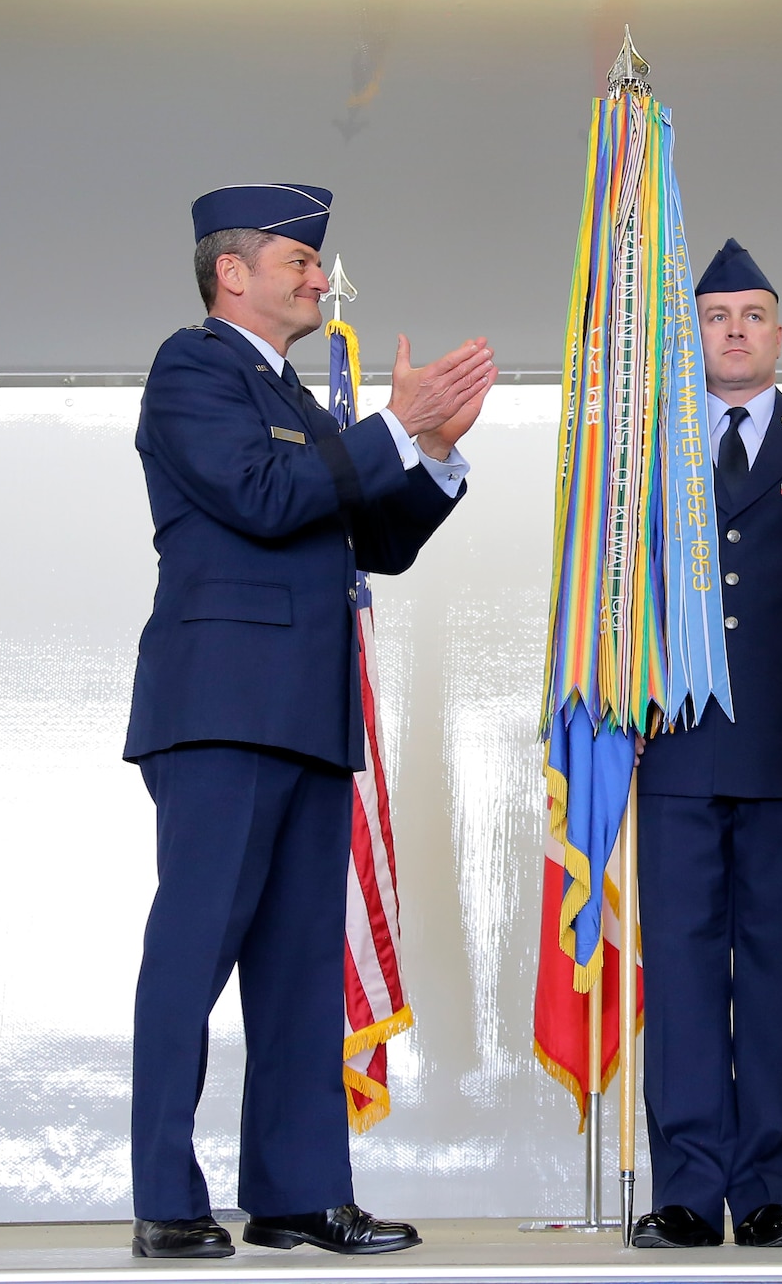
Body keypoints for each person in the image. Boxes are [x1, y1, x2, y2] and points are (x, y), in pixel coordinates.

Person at [122, 183, 496, 1259]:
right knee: (191, 957)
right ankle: (166, 1201)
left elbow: (368, 537)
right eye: (298, 260)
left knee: (294, 970)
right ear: (230, 271)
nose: (318, 278)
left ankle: (296, 1192)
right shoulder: (193, 367)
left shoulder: (286, 393)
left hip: (304, 709)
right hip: (222, 709)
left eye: (316, 263)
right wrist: (387, 424)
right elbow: (264, 496)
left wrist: (430, 453)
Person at [628, 240, 782, 1251]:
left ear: (778, 331)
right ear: (692, 333)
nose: (732, 330)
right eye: (714, 315)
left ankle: (766, 1188)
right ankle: (683, 1186)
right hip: (674, 741)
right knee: (676, 969)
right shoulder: (650, 450)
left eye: (751, 314)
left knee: (771, 968)